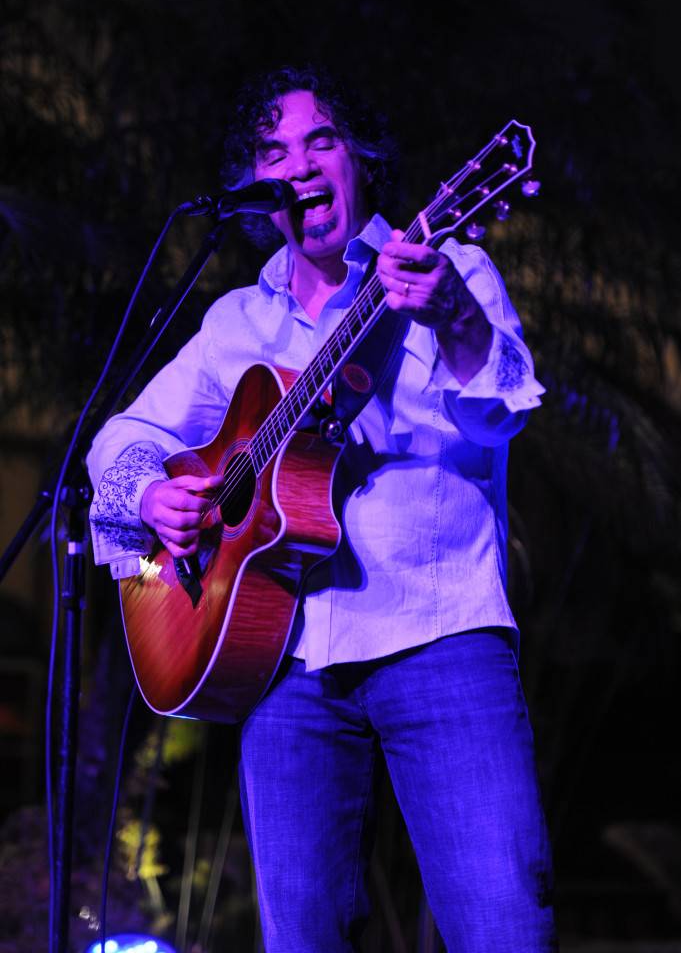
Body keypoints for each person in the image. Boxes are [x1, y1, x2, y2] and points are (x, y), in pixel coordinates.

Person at [87, 66, 555, 952]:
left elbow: (502, 415)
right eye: (273, 152)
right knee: (301, 938)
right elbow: (121, 436)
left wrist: (453, 317)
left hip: (440, 631)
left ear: (359, 158)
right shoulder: (235, 323)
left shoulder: (448, 269)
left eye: (320, 141)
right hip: (282, 659)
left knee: (501, 923)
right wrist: (153, 495)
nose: (297, 165)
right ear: (255, 184)